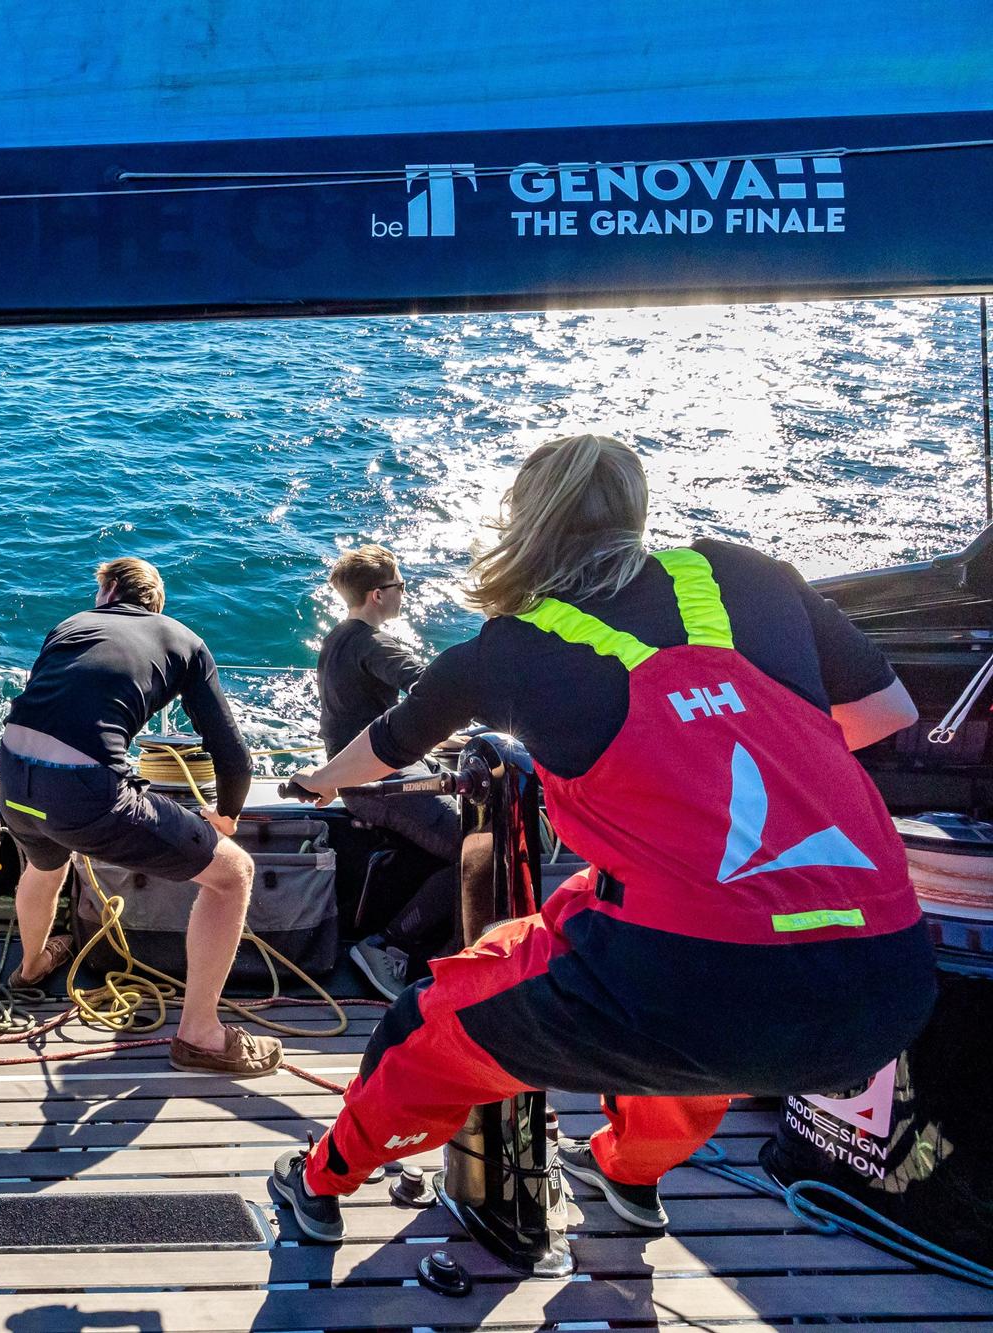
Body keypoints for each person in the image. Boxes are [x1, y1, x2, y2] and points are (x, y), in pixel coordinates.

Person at [269, 433, 934, 1242]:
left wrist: (320, 783)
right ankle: (626, 1171)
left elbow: (390, 740)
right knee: (646, 954)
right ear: (637, 509)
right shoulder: (741, 571)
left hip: (684, 980)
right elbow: (887, 714)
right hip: (887, 983)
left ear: (527, 520)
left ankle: (319, 1179)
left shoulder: (512, 646)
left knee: (429, 1025)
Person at [0, 557, 281, 1077]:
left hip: (13, 777)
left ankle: (31, 966)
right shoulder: (184, 641)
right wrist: (226, 816)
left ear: (107, 591)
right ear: (157, 603)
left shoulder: (71, 625)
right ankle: (200, 1035)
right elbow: (231, 755)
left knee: (45, 866)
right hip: (84, 794)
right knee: (232, 875)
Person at [315, 544, 461, 999]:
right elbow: (431, 688)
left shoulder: (338, 638)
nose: (404, 593)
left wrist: (434, 739)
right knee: (483, 852)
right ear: (378, 594)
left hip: (357, 775)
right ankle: (387, 945)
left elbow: (364, 715)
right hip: (381, 781)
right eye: (400, 585)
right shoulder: (375, 642)